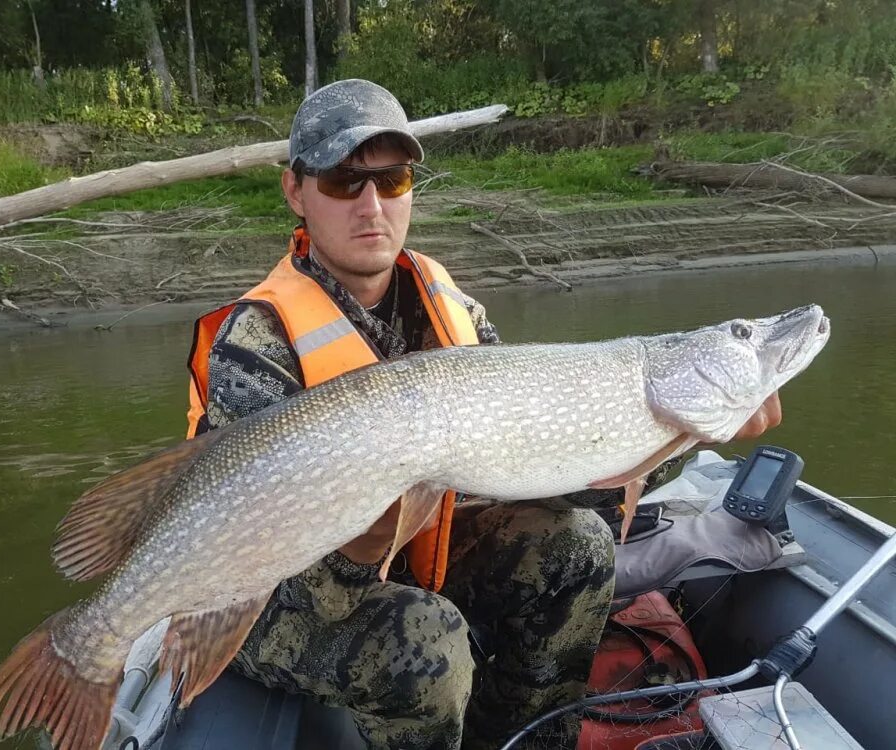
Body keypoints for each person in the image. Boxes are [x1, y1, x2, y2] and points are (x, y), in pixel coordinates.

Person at [184, 79, 782, 750]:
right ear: (297, 191)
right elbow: (279, 568)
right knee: (427, 641)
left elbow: (545, 465)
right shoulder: (254, 342)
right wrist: (369, 525)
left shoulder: (451, 308)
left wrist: (671, 435)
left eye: (394, 179)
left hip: (407, 553)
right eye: (344, 183)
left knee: (578, 544)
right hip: (259, 593)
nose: (373, 207)